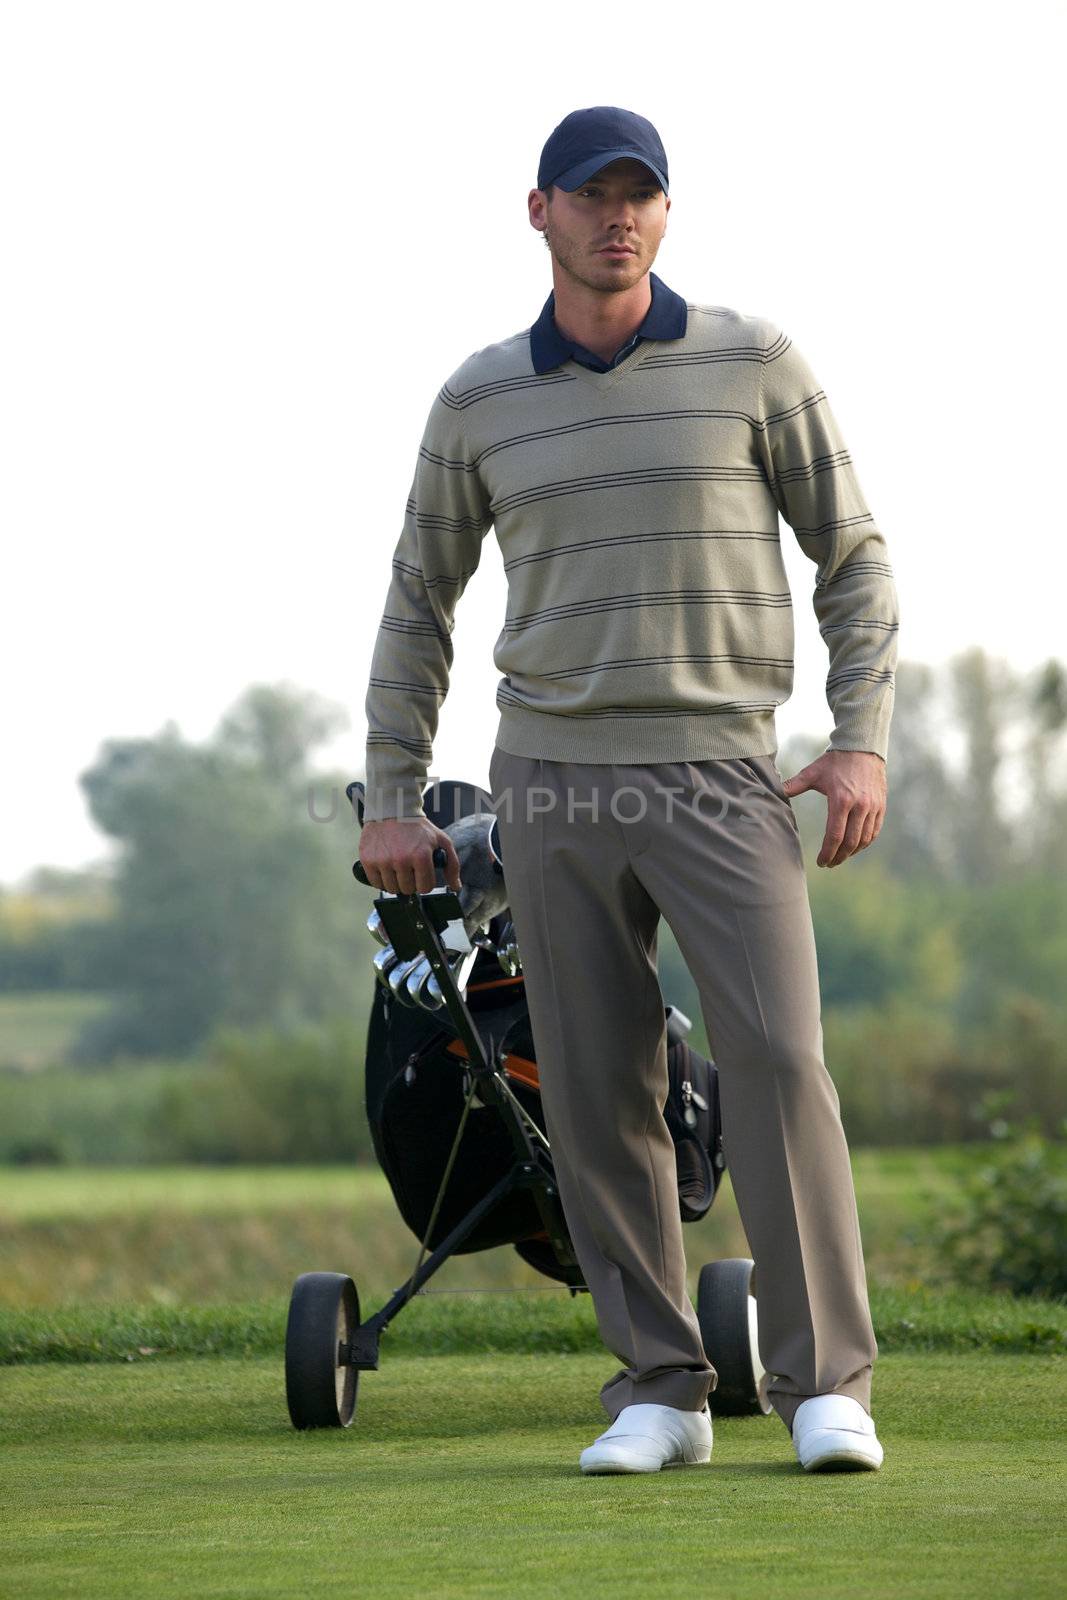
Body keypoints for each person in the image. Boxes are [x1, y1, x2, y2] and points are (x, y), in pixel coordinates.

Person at [358, 105, 898, 1476]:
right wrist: (391, 795)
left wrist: (862, 737)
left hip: (722, 771)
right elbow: (420, 605)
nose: (620, 218)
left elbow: (855, 561)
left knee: (777, 1062)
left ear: (665, 212)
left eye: (640, 197)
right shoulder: (480, 398)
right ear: (536, 211)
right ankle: (661, 1385)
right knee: (596, 1086)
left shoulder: (752, 362)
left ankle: (827, 1382)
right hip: (552, 778)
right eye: (592, 197)